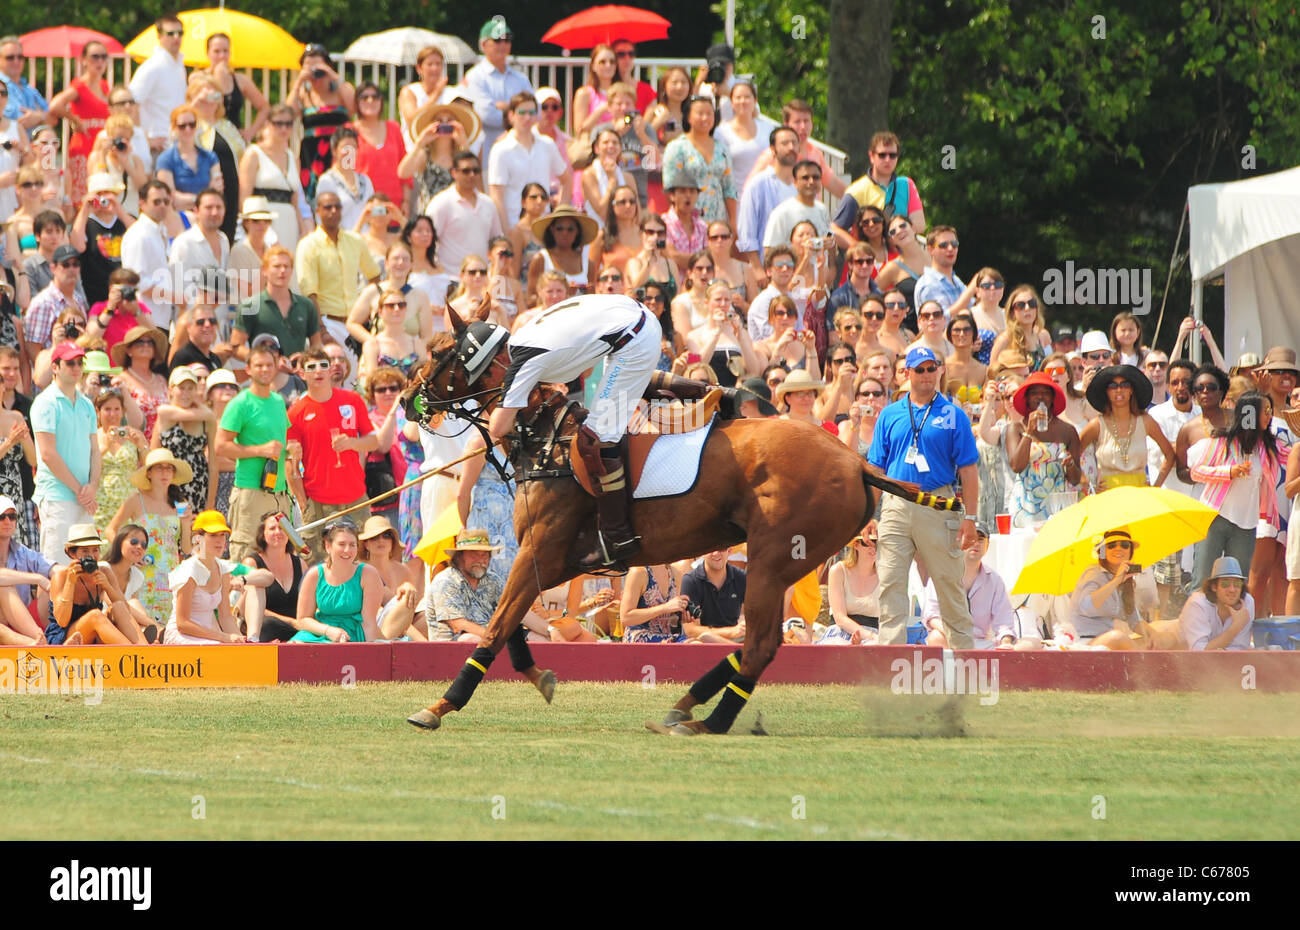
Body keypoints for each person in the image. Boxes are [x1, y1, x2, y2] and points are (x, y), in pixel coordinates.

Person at [473, 292, 665, 567]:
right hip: (635, 321)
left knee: (594, 440)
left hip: (631, 337)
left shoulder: (521, 361)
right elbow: (584, 369)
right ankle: (709, 391)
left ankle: (617, 538)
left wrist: (502, 396)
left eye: (485, 373)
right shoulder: (523, 335)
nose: (487, 380)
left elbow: (499, 427)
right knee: (622, 381)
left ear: (497, 361)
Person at [868, 346, 979, 647]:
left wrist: (970, 518)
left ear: (941, 370)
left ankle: (964, 657)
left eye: (932, 368)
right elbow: (875, 468)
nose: (927, 374)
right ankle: (889, 660)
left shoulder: (954, 415)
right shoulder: (889, 414)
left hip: (938, 503)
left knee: (948, 583)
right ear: (906, 374)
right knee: (890, 582)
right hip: (895, 503)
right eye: (920, 369)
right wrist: (868, 513)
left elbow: (969, 470)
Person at [287, 345, 380, 562]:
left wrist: (351, 443)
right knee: (319, 565)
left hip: (355, 498)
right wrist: (303, 502)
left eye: (323, 365)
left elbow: (373, 441)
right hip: (318, 502)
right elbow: (290, 463)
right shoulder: (295, 413)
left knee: (362, 563)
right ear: (302, 374)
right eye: (311, 367)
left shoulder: (353, 401)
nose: (318, 371)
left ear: (331, 370)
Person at [1188, 391, 1279, 588]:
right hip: (1215, 517)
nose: (1270, 415)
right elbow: (1196, 472)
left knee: (1237, 584)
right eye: (1266, 411)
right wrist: (1229, 472)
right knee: (1203, 580)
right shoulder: (1223, 442)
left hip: (1246, 524)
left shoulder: (1266, 446)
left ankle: (1233, 620)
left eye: (1271, 411)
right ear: (1250, 414)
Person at [215, 342, 292, 561]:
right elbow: (221, 446)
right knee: (245, 555)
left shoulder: (278, 401)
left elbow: (283, 446)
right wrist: (260, 450)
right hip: (250, 490)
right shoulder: (240, 403)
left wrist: (292, 452)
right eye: (259, 365)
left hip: (279, 492)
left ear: (277, 367)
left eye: (269, 365)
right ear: (248, 369)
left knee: (279, 555)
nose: (265, 370)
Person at [32, 342, 100, 565]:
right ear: (55, 367)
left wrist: (92, 486)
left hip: (84, 498)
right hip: (57, 496)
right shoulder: (45, 403)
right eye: (70, 363)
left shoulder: (87, 405)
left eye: (80, 363)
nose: (76, 367)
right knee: (55, 569)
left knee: (85, 571)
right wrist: (81, 490)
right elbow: (47, 454)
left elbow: (95, 451)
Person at [107, 447, 191, 624]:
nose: (165, 472)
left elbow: (186, 548)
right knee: (141, 620)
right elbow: (111, 529)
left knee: (167, 624)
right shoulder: (136, 500)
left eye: (169, 468)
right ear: (149, 473)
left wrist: (186, 523)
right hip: (141, 572)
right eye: (159, 467)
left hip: (169, 573)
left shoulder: (180, 504)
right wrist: (128, 554)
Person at [296, 190, 382, 347]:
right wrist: (321, 330)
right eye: (328, 207)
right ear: (318, 211)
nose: (333, 211)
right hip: (328, 323)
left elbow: (374, 275)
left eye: (337, 207)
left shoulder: (355, 241)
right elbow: (309, 294)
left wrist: (367, 308)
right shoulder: (308, 245)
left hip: (357, 325)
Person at [920, 521, 1016, 648]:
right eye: (971, 538)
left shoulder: (994, 580)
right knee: (936, 638)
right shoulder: (942, 575)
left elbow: (1004, 621)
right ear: (959, 543)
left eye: (981, 539)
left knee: (1029, 645)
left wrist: (1006, 643)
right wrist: (955, 634)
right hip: (948, 639)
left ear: (987, 546)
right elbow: (931, 615)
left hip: (980, 644)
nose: (976, 543)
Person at [1079, 365, 1175, 490]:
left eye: (1124, 385)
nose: (1119, 390)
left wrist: (1155, 487)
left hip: (1140, 494)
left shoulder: (1146, 421)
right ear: (1106, 392)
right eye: (1113, 386)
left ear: (1131, 390)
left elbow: (1170, 454)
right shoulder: (1096, 424)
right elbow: (1073, 453)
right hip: (1108, 495)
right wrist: (1088, 484)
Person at [1006, 372, 1082, 527]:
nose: (1040, 397)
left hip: (1057, 506)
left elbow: (1075, 479)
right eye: (1034, 393)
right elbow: (1016, 466)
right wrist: (1029, 432)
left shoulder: (1067, 431)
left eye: (1046, 393)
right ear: (1026, 398)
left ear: (1053, 397)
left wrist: (1070, 464)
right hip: (1026, 506)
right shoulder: (1016, 428)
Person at [44, 524, 139, 645]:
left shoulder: (104, 571)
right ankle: (136, 654)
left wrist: (107, 587)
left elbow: (126, 611)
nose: (91, 556)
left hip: (94, 634)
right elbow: (62, 621)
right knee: (95, 615)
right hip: (64, 636)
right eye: (85, 551)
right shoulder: (61, 576)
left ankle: (148, 652)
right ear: (72, 554)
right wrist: (70, 583)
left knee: (118, 606)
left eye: (95, 550)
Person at [159, 509, 242, 644]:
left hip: (210, 637)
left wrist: (243, 643)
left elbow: (226, 616)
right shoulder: (188, 570)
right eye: (213, 535)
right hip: (182, 637)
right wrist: (223, 637)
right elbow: (182, 624)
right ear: (198, 538)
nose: (220, 540)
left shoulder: (223, 569)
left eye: (223, 535)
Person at [237, 103, 311, 253]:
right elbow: (244, 200)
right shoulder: (254, 154)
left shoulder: (293, 157)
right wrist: (260, 229)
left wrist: (303, 230)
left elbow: (295, 201)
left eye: (288, 124)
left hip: (289, 223)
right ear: (267, 124)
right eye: (278, 123)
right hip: (263, 224)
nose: (284, 129)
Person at [286, 43, 354, 201]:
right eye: (308, 66)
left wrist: (332, 74)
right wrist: (299, 82)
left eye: (317, 65)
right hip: (311, 153)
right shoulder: (304, 93)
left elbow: (353, 108)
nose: (314, 70)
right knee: (313, 195)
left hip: (338, 149)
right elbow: (288, 114)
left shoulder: (340, 89)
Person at [48, 40, 111, 206]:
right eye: (95, 57)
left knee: (101, 194)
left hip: (100, 148)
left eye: (103, 57)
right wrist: (74, 119)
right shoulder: (79, 86)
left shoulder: (104, 86)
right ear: (83, 60)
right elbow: (55, 105)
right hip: (83, 147)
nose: (100, 62)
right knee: (82, 199)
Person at [831, 130, 926, 241]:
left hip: (902, 255)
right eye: (882, 155)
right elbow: (835, 229)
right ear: (871, 156)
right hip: (870, 256)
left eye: (892, 155)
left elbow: (920, 225)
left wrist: (895, 235)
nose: (887, 160)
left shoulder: (907, 185)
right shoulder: (856, 190)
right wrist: (856, 247)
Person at [463, 17, 533, 167]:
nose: (503, 44)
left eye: (507, 40)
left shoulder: (520, 78)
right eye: (498, 40)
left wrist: (505, 107)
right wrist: (517, 112)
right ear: (483, 44)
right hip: (489, 154)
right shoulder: (475, 77)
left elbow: (535, 111)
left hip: (521, 154)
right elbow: (487, 115)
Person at [232, 246, 321, 363]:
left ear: (292, 270)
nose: (282, 271)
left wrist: (305, 359)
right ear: (264, 270)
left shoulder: (306, 305)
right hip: (265, 376)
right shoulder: (249, 306)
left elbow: (317, 343)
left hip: (298, 376)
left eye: (286, 266)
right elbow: (236, 347)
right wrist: (267, 361)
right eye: (277, 266)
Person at [662, 95, 738, 229]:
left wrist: (732, 221)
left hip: (717, 222)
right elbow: (670, 187)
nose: (705, 118)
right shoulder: (677, 147)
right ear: (689, 117)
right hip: (688, 221)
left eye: (709, 114)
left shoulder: (722, 148)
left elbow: (729, 188)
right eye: (700, 113)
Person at [187, 74, 244, 241]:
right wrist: (196, 103)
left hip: (231, 193)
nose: (209, 101)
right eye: (204, 97)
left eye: (214, 96)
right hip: (204, 193)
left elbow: (242, 155)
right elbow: (178, 144)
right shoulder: (190, 125)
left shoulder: (226, 126)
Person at [426, 150, 502, 274]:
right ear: (453, 172)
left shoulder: (488, 204)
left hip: (481, 279)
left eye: (476, 171)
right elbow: (428, 241)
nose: (472, 175)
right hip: (450, 278)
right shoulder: (441, 203)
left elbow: (496, 240)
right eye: (466, 171)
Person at [152, 366, 216, 513]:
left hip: (198, 484)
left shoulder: (206, 419)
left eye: (190, 388)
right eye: (181, 388)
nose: (186, 393)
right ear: (171, 389)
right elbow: (153, 452)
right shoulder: (165, 413)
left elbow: (213, 463)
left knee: (195, 533)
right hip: (170, 483)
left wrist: (210, 503)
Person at [736, 125, 799, 272]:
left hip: (800, 270)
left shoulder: (803, 184)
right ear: (772, 149)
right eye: (785, 143)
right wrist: (758, 269)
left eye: (794, 143)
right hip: (769, 270)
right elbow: (746, 231)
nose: (791, 147)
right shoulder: (758, 184)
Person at [424, 528, 505, 642]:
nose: (481, 560)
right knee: (470, 639)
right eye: (474, 555)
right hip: (453, 649)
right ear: (459, 556)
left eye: (485, 555)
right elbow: (458, 625)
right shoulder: (445, 581)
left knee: (532, 637)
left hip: (491, 640)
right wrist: (497, 637)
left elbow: (513, 608)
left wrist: (538, 629)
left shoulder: (493, 580)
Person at [400, 100, 476, 216]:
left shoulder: (462, 156)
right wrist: (420, 143)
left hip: (459, 215)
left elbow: (475, 179)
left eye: (450, 121)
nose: (444, 124)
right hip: (430, 219)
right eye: (439, 121)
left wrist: (464, 144)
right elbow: (403, 173)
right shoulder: (424, 155)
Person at [1069, 528, 1144, 641]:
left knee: (1157, 638)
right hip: (1085, 640)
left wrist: (1155, 636)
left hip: (1108, 640)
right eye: (1111, 545)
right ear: (1103, 551)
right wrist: (1116, 581)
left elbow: (1134, 621)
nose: (1118, 549)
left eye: (1124, 545)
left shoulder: (1126, 578)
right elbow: (1086, 606)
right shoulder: (1094, 572)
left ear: (1130, 551)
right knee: (1118, 638)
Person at [128, 15, 188, 154]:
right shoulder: (152, 66)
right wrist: (144, 140)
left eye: (180, 33)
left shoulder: (179, 65)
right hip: (157, 146)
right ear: (160, 36)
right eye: (171, 33)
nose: (176, 37)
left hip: (176, 142)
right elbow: (130, 105)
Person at [196, 32, 270, 144]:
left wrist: (250, 132)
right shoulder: (198, 78)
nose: (222, 56)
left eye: (225, 51)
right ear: (208, 53)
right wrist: (218, 76)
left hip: (234, 139)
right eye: (217, 51)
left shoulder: (240, 80)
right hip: (206, 138)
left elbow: (265, 108)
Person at [92, 387, 147, 538]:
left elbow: (149, 468)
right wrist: (105, 447)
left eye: (117, 409)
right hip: (101, 505)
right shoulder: (92, 436)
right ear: (98, 411)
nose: (112, 414)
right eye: (107, 409)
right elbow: (86, 467)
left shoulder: (132, 434)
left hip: (128, 505)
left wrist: (142, 444)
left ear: (123, 411)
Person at [24, 243, 89, 364]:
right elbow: (33, 349)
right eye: (65, 265)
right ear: (53, 268)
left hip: (76, 370)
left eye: (75, 264)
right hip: (53, 374)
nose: (71, 269)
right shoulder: (43, 302)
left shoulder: (79, 299)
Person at [1178, 556, 1254, 651]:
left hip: (1222, 661)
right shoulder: (1197, 604)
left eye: (1237, 584)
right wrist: (1236, 627)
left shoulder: (1248, 602)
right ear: (1214, 587)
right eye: (1225, 584)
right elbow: (1198, 652)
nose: (1232, 589)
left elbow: (1240, 647)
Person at [714, 80, 779, 189]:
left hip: (765, 192)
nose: (743, 101)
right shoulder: (721, 132)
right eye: (738, 97)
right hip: (735, 198)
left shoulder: (768, 128)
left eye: (747, 97)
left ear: (755, 100)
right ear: (731, 102)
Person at [821, 528, 881, 644]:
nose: (873, 547)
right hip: (839, 633)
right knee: (837, 645)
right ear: (856, 545)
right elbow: (840, 618)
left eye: (877, 543)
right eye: (867, 542)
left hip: (874, 637)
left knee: (875, 648)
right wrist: (869, 636)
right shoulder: (838, 571)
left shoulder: (884, 575)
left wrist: (871, 638)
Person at [350, 82, 406, 206]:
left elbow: (405, 169)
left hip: (393, 205)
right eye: (364, 97)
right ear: (356, 102)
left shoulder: (394, 128)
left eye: (375, 97)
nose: (370, 100)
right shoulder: (349, 131)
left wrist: (406, 202)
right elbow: (343, 170)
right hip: (361, 205)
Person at [525, 205, 595, 300]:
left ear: (577, 231)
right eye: (559, 228)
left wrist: (587, 292)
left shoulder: (587, 264)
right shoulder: (541, 259)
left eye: (570, 229)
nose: (564, 233)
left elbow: (592, 297)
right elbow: (530, 298)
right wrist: (557, 294)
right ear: (552, 229)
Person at [84, 113, 147, 218]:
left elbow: (143, 188)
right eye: (119, 138)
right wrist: (103, 156)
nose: (122, 142)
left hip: (130, 216)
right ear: (109, 137)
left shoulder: (136, 161)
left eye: (127, 139)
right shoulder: (96, 157)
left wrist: (126, 163)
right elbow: (98, 185)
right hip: (104, 217)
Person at [314, 127, 374, 232]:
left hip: (364, 242)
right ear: (334, 151)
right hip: (340, 242)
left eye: (353, 147)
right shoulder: (327, 181)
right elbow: (322, 218)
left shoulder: (366, 181)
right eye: (345, 148)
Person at [680, 548, 746, 643]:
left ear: (730, 550)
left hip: (735, 640)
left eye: (721, 548)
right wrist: (732, 632)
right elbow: (691, 630)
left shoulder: (741, 578)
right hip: (703, 644)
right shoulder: (690, 581)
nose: (716, 553)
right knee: (702, 639)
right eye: (711, 549)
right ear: (701, 553)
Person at [398, 45, 456, 148]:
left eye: (438, 64)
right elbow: (412, 119)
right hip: (413, 149)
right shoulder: (409, 91)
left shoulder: (451, 92)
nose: (435, 68)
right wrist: (435, 95)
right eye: (430, 64)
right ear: (419, 68)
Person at [0, 35, 50, 132]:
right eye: (10, 57)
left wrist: (38, 117)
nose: (16, 61)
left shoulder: (29, 89)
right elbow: (13, 123)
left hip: (30, 146)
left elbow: (53, 119)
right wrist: (41, 116)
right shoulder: (1, 87)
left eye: (20, 57)